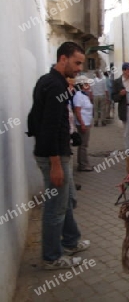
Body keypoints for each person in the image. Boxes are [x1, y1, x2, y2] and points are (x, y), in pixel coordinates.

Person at [30, 41, 90, 269]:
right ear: (63, 59)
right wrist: (55, 163)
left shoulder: (50, 81)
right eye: (76, 63)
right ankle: (51, 257)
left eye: (81, 64)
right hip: (55, 156)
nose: (78, 69)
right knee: (56, 207)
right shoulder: (54, 86)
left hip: (59, 153)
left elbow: (37, 118)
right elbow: (48, 127)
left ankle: (71, 241)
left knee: (68, 200)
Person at [73, 75, 94, 171]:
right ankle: (83, 164)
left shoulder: (84, 94)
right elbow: (77, 111)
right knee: (83, 145)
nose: (88, 85)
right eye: (86, 84)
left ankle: (84, 162)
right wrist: (82, 123)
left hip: (86, 121)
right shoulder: (78, 95)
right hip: (83, 122)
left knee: (84, 144)